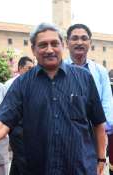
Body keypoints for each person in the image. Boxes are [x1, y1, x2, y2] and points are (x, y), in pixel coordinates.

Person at [0, 23, 107, 175]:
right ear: (33, 49)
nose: (49, 50)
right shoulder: (22, 84)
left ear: (62, 45)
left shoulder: (84, 78)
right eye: (43, 45)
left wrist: (101, 159)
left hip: (79, 167)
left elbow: (98, 123)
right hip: (39, 168)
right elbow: (4, 120)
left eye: (54, 44)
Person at [65, 24, 113, 174]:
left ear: (90, 43)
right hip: (66, 135)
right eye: (75, 38)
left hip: (94, 135)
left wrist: (104, 131)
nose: (79, 42)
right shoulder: (60, 69)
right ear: (67, 42)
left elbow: (106, 102)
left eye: (84, 38)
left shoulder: (100, 71)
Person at [4, 56, 34, 175]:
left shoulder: (32, 83)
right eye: (29, 68)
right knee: (24, 162)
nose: (31, 71)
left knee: (18, 161)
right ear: (20, 68)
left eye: (33, 68)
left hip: (30, 129)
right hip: (17, 129)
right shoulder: (10, 84)